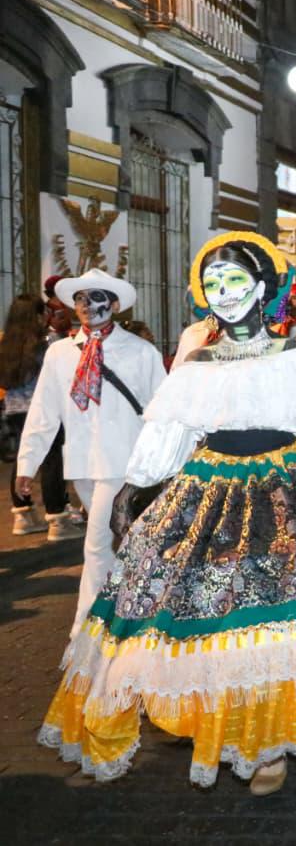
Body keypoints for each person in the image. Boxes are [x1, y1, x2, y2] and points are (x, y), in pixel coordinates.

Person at [38, 232, 296, 794]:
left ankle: (266, 744)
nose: (223, 292)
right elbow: (171, 431)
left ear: (262, 288)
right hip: (208, 496)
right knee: (178, 609)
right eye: (213, 283)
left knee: (275, 621)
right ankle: (194, 718)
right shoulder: (195, 365)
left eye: (234, 281)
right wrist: (132, 490)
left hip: (288, 494)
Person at [16, 268, 166, 633]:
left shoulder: (140, 351)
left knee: (96, 544)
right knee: (116, 545)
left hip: (124, 461)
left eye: (96, 297)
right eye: (80, 298)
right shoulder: (60, 354)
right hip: (82, 463)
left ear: (113, 304)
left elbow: (162, 408)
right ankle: (131, 609)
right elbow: (44, 411)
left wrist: (163, 460)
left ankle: (86, 629)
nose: (86, 305)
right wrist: (27, 464)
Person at [0, 294, 79, 540]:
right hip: (44, 411)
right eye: (44, 311)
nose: (47, 316)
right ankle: (58, 519)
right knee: (52, 462)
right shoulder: (47, 343)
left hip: (14, 410)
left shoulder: (5, 344)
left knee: (23, 458)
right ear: (35, 315)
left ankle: (23, 516)